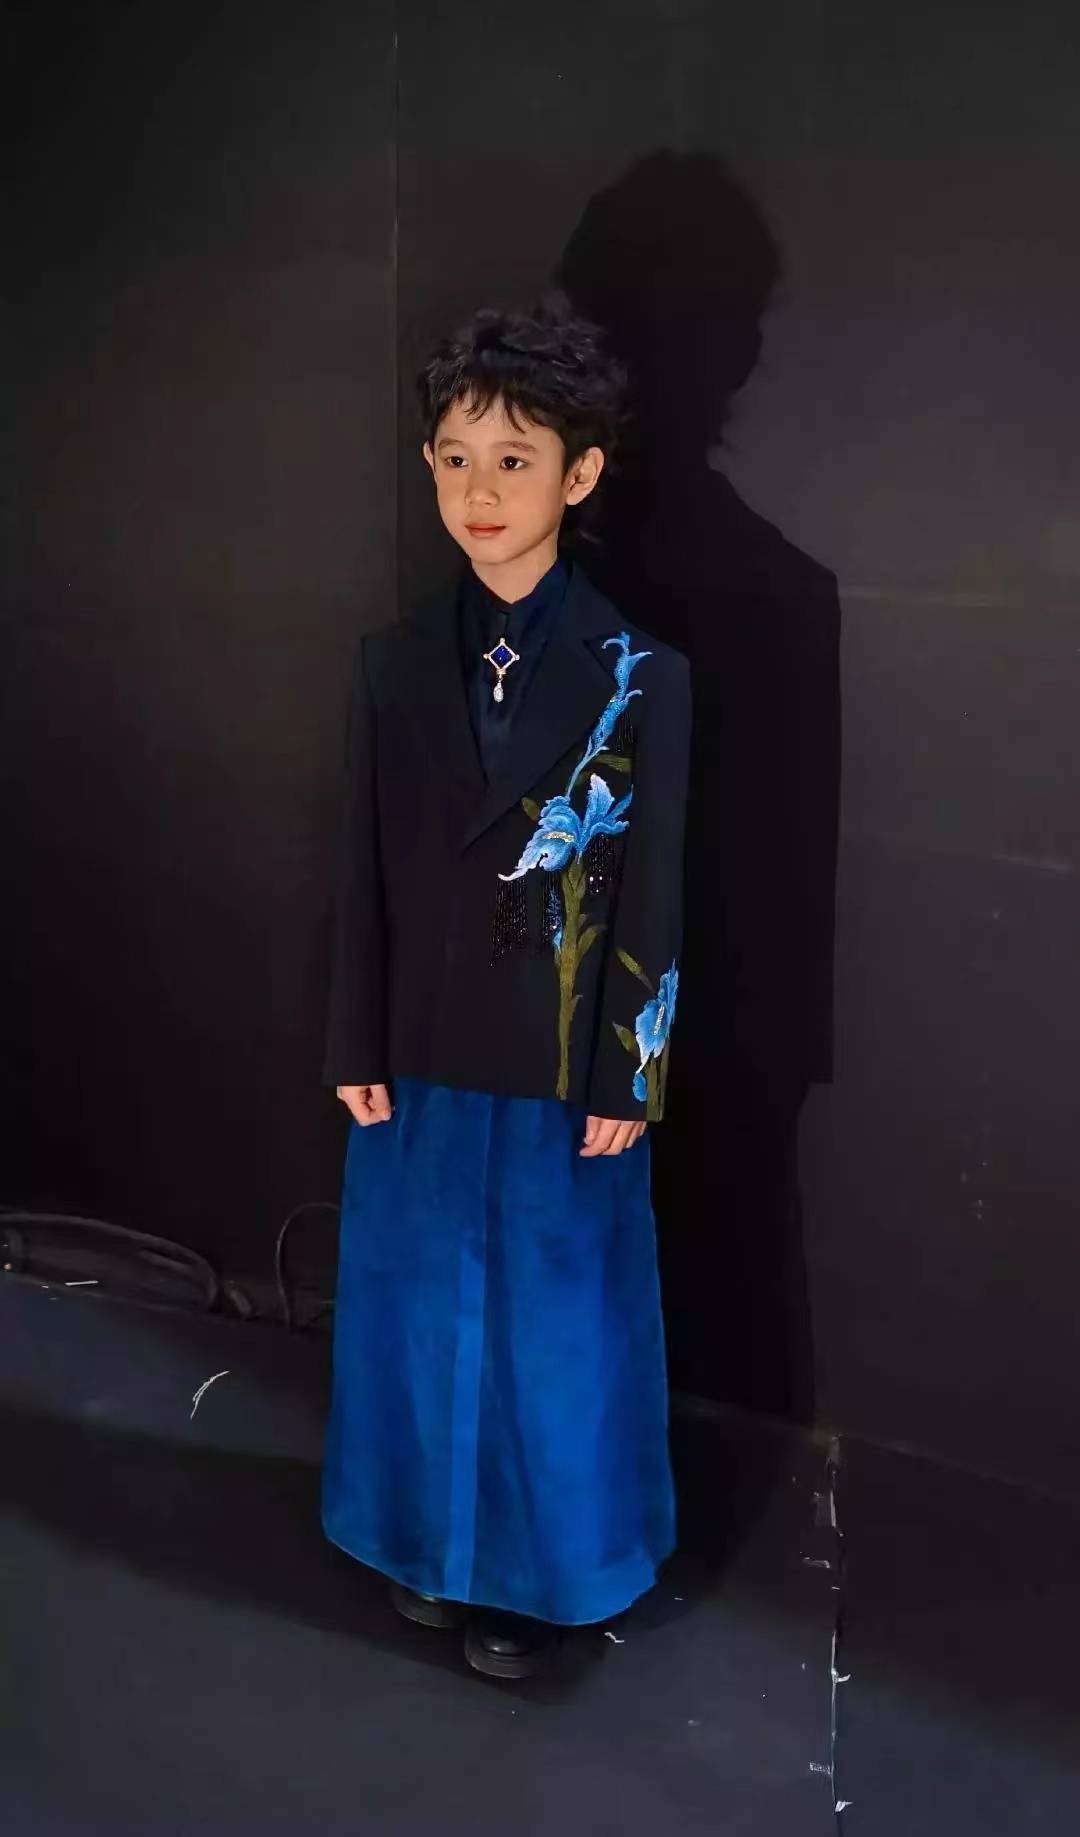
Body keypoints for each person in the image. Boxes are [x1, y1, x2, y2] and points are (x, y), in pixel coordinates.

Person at [320, 301, 692, 1680]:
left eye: (515, 460)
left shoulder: (641, 675)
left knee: (554, 1316)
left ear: (579, 475)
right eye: (456, 459)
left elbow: (654, 883)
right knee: (414, 1301)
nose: (481, 490)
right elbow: (358, 865)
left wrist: (632, 1069)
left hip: (559, 1053)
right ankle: (421, 1544)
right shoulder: (392, 662)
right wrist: (352, 1034)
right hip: (419, 1044)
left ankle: (544, 1574)